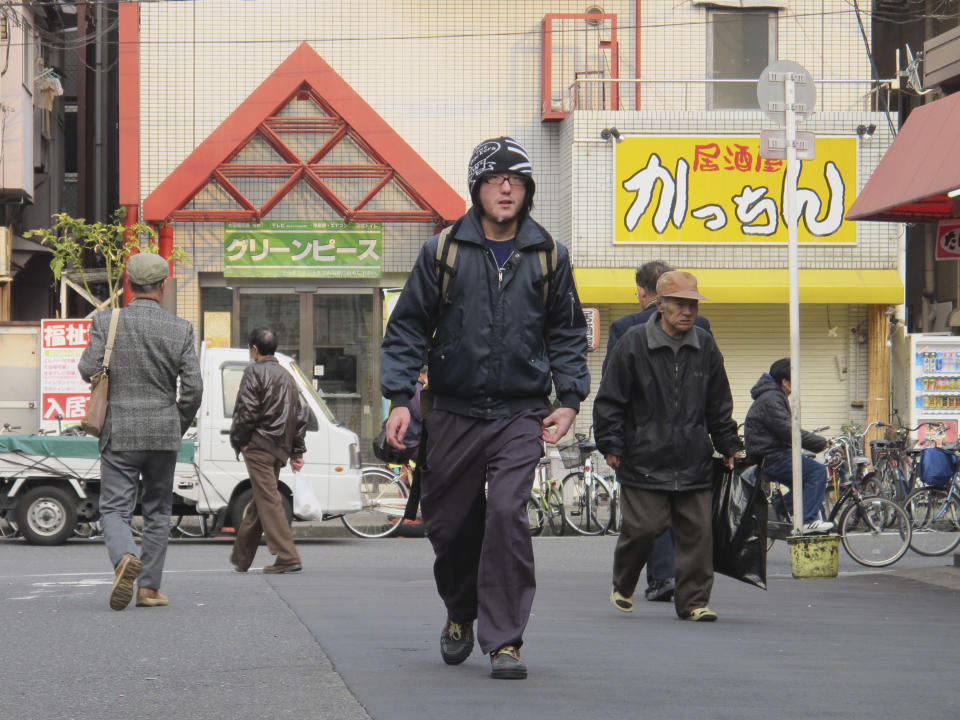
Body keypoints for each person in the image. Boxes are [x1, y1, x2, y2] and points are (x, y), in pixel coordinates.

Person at [380, 136, 590, 679]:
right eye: (495, 179)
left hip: (520, 412)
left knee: (505, 515)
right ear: (476, 187)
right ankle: (459, 611)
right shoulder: (442, 252)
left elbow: (567, 332)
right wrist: (401, 399)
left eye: (516, 180)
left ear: (527, 191)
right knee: (449, 526)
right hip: (451, 409)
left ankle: (504, 640)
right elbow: (406, 329)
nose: (506, 188)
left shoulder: (549, 256)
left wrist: (568, 401)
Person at [594, 270, 739, 622]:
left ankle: (693, 602)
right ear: (659, 306)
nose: (687, 311)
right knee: (644, 527)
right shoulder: (633, 342)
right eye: (679, 304)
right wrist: (611, 443)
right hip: (643, 455)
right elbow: (610, 399)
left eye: (692, 304)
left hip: (693, 456)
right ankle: (624, 581)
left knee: (697, 534)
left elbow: (719, 402)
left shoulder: (705, 345)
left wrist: (728, 444)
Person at [78, 252, 202, 611]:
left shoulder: (106, 322)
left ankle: (124, 558)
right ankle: (148, 589)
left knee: (115, 508)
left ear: (127, 285)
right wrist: (176, 422)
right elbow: (194, 388)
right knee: (158, 509)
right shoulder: (180, 329)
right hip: (163, 433)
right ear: (163, 287)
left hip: (120, 432)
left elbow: (88, 369)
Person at [229, 327, 308, 573]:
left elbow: (247, 410)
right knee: (261, 499)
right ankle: (241, 558)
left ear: (254, 349)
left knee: (268, 499)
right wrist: (296, 451)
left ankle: (288, 556)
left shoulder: (254, 371)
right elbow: (299, 415)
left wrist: (240, 439)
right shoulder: (287, 375)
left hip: (258, 444)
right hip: (278, 448)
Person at [743, 358, 834, 533]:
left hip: (768, 455)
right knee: (817, 472)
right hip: (770, 458)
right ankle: (807, 521)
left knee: (804, 483)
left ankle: (776, 511)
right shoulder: (771, 398)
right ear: (785, 382)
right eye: (795, 380)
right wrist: (820, 443)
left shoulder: (771, 396)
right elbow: (788, 430)